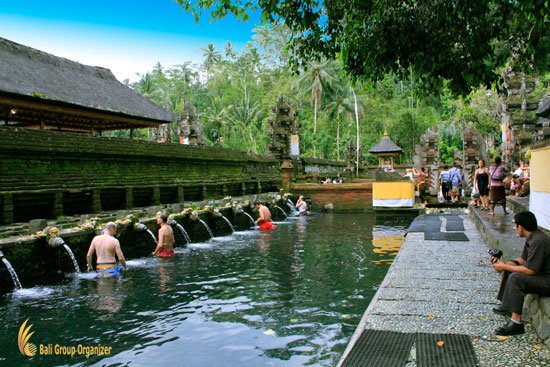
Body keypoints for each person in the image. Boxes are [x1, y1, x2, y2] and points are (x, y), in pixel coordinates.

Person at [491, 211, 550, 336]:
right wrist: (504, 264)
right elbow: (522, 260)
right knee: (510, 268)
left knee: (516, 278)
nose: (515, 229)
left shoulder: (539, 241)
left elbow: (530, 270)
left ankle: (516, 322)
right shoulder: (533, 237)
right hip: (541, 276)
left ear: (520, 227)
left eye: (515, 226)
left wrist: (504, 266)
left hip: (547, 280)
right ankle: (507, 305)